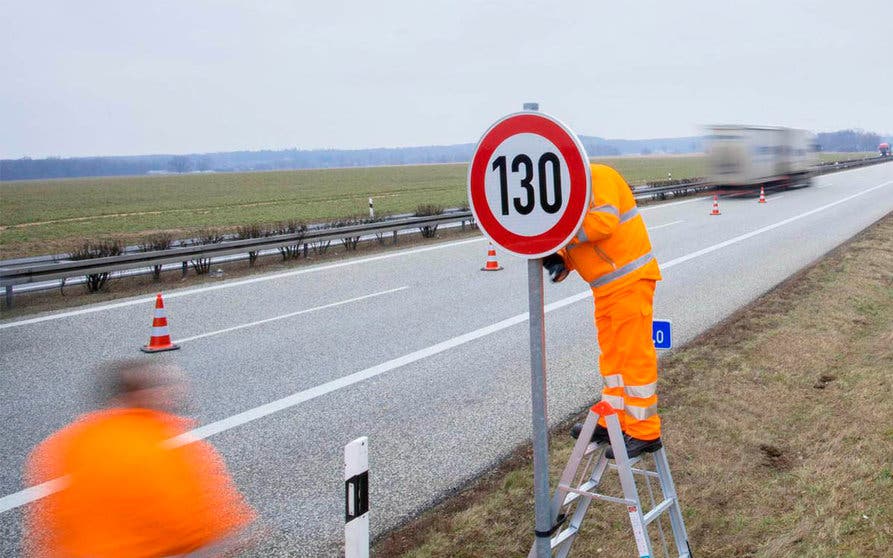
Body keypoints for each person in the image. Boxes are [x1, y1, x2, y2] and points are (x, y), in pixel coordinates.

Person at [24, 359, 256, 557]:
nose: (173, 393)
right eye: (163, 387)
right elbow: (197, 525)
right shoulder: (168, 446)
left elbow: (48, 527)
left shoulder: (62, 444)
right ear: (142, 394)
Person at [543, 163, 663, 458]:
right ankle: (613, 420)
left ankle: (645, 432)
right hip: (605, 290)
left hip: (630, 282)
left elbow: (602, 223)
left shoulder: (598, 176)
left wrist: (558, 237)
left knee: (633, 357)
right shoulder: (568, 194)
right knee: (613, 360)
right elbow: (578, 239)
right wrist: (560, 259)